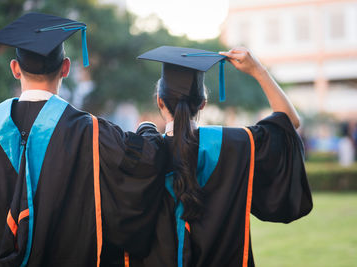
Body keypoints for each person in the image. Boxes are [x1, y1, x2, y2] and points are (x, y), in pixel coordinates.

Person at [0, 13, 166, 266]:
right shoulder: (91, 132)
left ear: (14, 69)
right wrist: (148, 127)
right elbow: (148, 160)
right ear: (66, 68)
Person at [131, 46, 313, 267]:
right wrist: (258, 70)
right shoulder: (235, 143)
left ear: (159, 101)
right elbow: (288, 123)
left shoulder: (139, 153)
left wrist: (145, 128)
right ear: (202, 104)